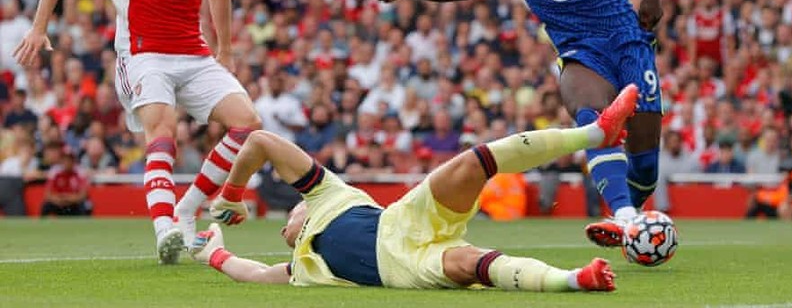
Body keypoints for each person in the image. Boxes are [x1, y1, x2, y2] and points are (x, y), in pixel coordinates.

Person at [368, 0, 663, 247]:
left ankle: (631, 210)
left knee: (646, 167)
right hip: (579, 48)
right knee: (593, 119)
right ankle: (624, 217)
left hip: (626, 36)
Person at [13, 0, 261, 263]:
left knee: (247, 123)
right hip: (144, 53)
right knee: (163, 132)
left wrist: (226, 49)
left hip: (194, 52)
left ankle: (186, 210)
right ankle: (166, 230)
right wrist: (39, 28)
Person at [190, 85, 639, 291]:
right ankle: (576, 281)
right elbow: (252, 273)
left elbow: (260, 141)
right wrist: (214, 252)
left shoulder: (328, 192)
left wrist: (231, 195)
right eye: (285, 235)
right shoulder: (302, 266)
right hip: (401, 267)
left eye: (287, 222)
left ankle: (594, 135)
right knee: (470, 262)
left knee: (469, 163)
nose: (286, 231)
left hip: (401, 218)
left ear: (298, 210)